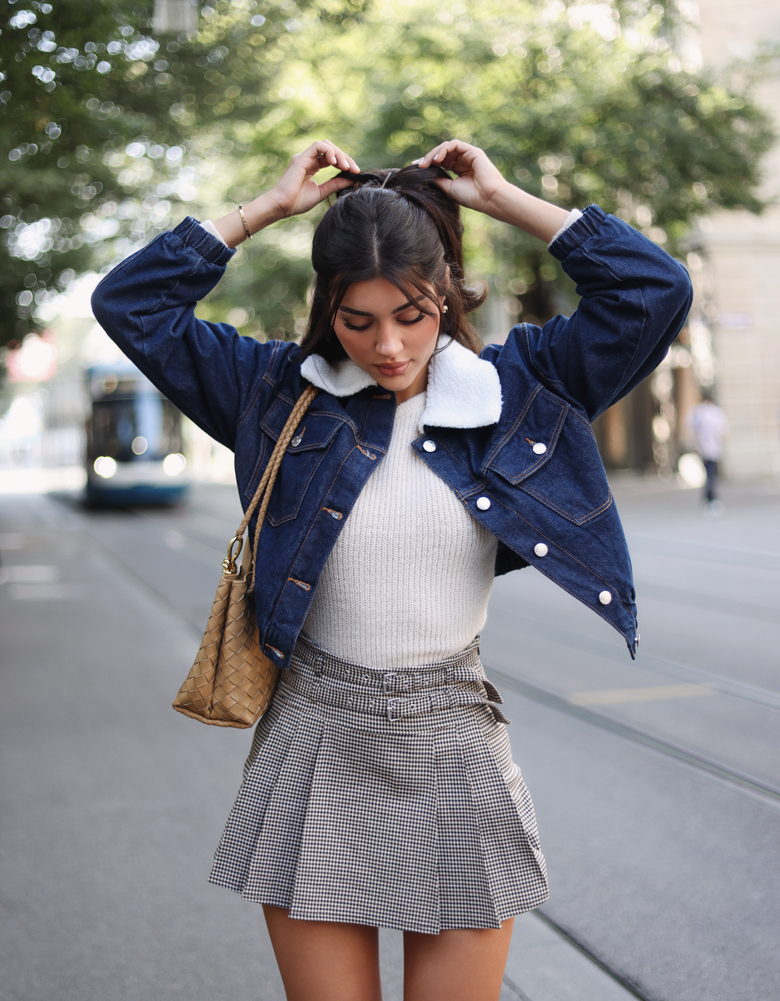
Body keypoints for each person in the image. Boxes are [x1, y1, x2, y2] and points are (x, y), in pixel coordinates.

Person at [91, 138, 692, 1001]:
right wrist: (265, 207)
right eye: (357, 320)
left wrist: (502, 198)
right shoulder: (273, 391)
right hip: (314, 738)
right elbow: (131, 303)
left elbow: (655, 291)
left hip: (452, 741)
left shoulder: (517, 388)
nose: (388, 346)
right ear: (325, 307)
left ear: (444, 290)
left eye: (411, 315)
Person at [687, 390, 728, 513]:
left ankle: (707, 497)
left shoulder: (698, 412)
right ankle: (711, 497)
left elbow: (691, 427)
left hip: (703, 448)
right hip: (714, 448)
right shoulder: (716, 412)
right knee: (711, 474)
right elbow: (723, 430)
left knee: (708, 473)